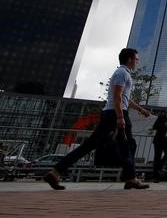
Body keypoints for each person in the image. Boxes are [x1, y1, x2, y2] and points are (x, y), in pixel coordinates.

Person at [43, 48, 152, 190]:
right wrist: (120, 117)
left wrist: (140, 109)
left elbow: (125, 98)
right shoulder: (121, 73)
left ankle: (55, 172)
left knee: (91, 145)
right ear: (130, 59)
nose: (138, 62)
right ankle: (131, 178)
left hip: (112, 113)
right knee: (128, 145)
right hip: (115, 114)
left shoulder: (124, 73)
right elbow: (117, 96)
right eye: (136, 59)